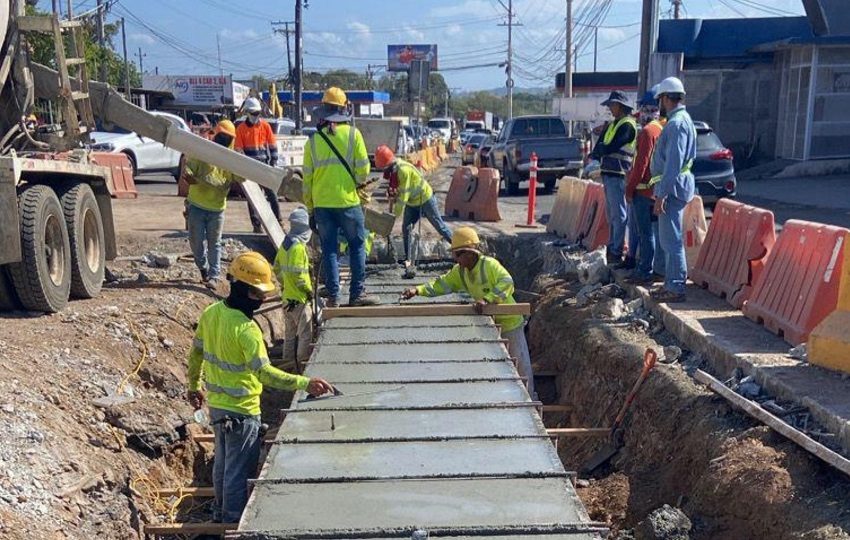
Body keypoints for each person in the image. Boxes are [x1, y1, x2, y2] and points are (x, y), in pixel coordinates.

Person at [187, 251, 334, 523]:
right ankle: (232, 522)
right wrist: (304, 383)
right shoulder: (247, 330)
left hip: (218, 408)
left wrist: (194, 386)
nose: (263, 299)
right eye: (258, 294)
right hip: (242, 413)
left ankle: (220, 513)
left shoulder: (211, 314)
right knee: (237, 471)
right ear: (242, 289)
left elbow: (195, 354)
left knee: (222, 464)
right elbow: (265, 374)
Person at [400, 227, 535, 397]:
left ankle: (529, 399)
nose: (455, 259)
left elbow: (507, 282)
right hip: (490, 325)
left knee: (520, 368)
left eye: (458, 255)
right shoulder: (461, 272)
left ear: (470, 253)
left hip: (510, 323)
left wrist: (488, 299)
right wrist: (417, 290)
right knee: (499, 368)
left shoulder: (489, 266)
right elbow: (441, 284)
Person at [303, 87, 378, 307]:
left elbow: (307, 180)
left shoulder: (313, 141)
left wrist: (310, 209)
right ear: (344, 109)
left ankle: (334, 296)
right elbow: (364, 170)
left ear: (323, 110)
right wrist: (356, 188)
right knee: (356, 245)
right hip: (348, 202)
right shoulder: (354, 135)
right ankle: (356, 294)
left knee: (329, 249)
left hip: (322, 205)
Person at [649, 76, 697, 303]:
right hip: (675, 186)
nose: (660, 103)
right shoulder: (682, 120)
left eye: (661, 99)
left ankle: (676, 286)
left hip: (673, 188)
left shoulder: (677, 125)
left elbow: (673, 164)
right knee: (669, 239)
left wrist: (661, 194)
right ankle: (670, 283)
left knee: (671, 240)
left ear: (667, 98)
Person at [375, 144, 452, 278]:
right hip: (413, 202)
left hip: (425, 199)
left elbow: (403, 198)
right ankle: (408, 259)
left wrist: (393, 217)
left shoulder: (403, 171)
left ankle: (458, 246)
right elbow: (397, 189)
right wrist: (392, 194)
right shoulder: (394, 170)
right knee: (406, 228)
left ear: (388, 163)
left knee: (439, 227)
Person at [183, 119, 241, 288]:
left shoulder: (231, 159)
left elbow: (240, 178)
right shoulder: (203, 151)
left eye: (227, 137)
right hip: (197, 206)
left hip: (217, 208)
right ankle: (204, 268)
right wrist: (188, 175)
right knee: (196, 243)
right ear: (215, 134)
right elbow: (190, 167)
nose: (224, 140)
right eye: (222, 135)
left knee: (215, 243)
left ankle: (214, 276)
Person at [590, 90, 638, 266]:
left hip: (619, 174)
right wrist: (599, 151)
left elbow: (611, 146)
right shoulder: (611, 125)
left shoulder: (628, 125)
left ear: (621, 106)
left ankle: (617, 250)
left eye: (613, 105)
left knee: (619, 215)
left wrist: (602, 149)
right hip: (608, 174)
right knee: (612, 215)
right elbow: (599, 148)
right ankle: (613, 246)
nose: (610, 108)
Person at [624, 88, 664, 284]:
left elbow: (640, 165)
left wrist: (629, 189)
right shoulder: (660, 129)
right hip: (654, 190)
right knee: (654, 233)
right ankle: (655, 268)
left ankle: (644, 270)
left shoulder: (648, 132)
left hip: (643, 190)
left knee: (645, 233)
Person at [272, 208, 314, 368]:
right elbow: (298, 275)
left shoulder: (285, 245)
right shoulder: (298, 248)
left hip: (287, 299)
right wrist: (308, 290)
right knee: (305, 335)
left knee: (290, 335)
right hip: (299, 300)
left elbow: (276, 268)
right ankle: (301, 367)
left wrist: (285, 283)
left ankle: (286, 365)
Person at [235, 96, 282, 233]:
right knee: (253, 198)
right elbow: (238, 149)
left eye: (258, 113)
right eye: (254, 113)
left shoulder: (265, 126)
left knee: (272, 195)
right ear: (248, 113)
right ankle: (256, 225)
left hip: (264, 166)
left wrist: (273, 161)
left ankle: (278, 221)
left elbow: (272, 145)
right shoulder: (241, 129)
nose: (256, 116)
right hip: (250, 168)